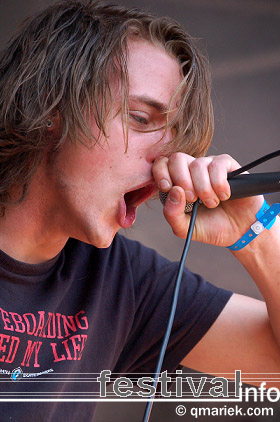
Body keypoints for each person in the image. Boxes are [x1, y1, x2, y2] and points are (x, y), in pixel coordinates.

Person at [0, 0, 279, 420]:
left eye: (174, 140)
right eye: (140, 118)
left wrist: (254, 233)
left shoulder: (120, 282)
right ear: (48, 106)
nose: (165, 160)